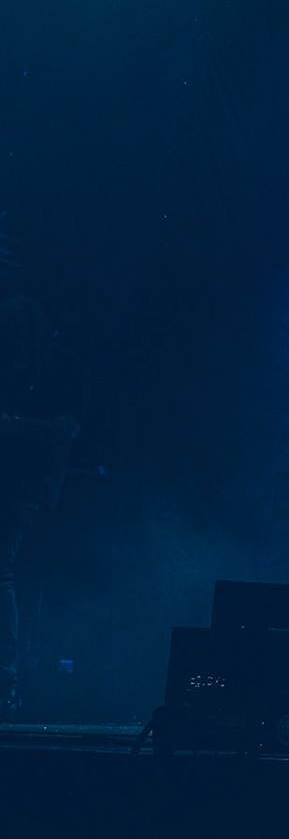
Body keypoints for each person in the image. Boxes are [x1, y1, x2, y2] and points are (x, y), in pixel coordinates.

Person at [1, 296, 79, 719]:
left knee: (1, 572)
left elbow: (68, 427)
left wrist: (12, 426)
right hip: (12, 478)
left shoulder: (60, 366)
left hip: (27, 485)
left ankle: (5, 678)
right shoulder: (19, 362)